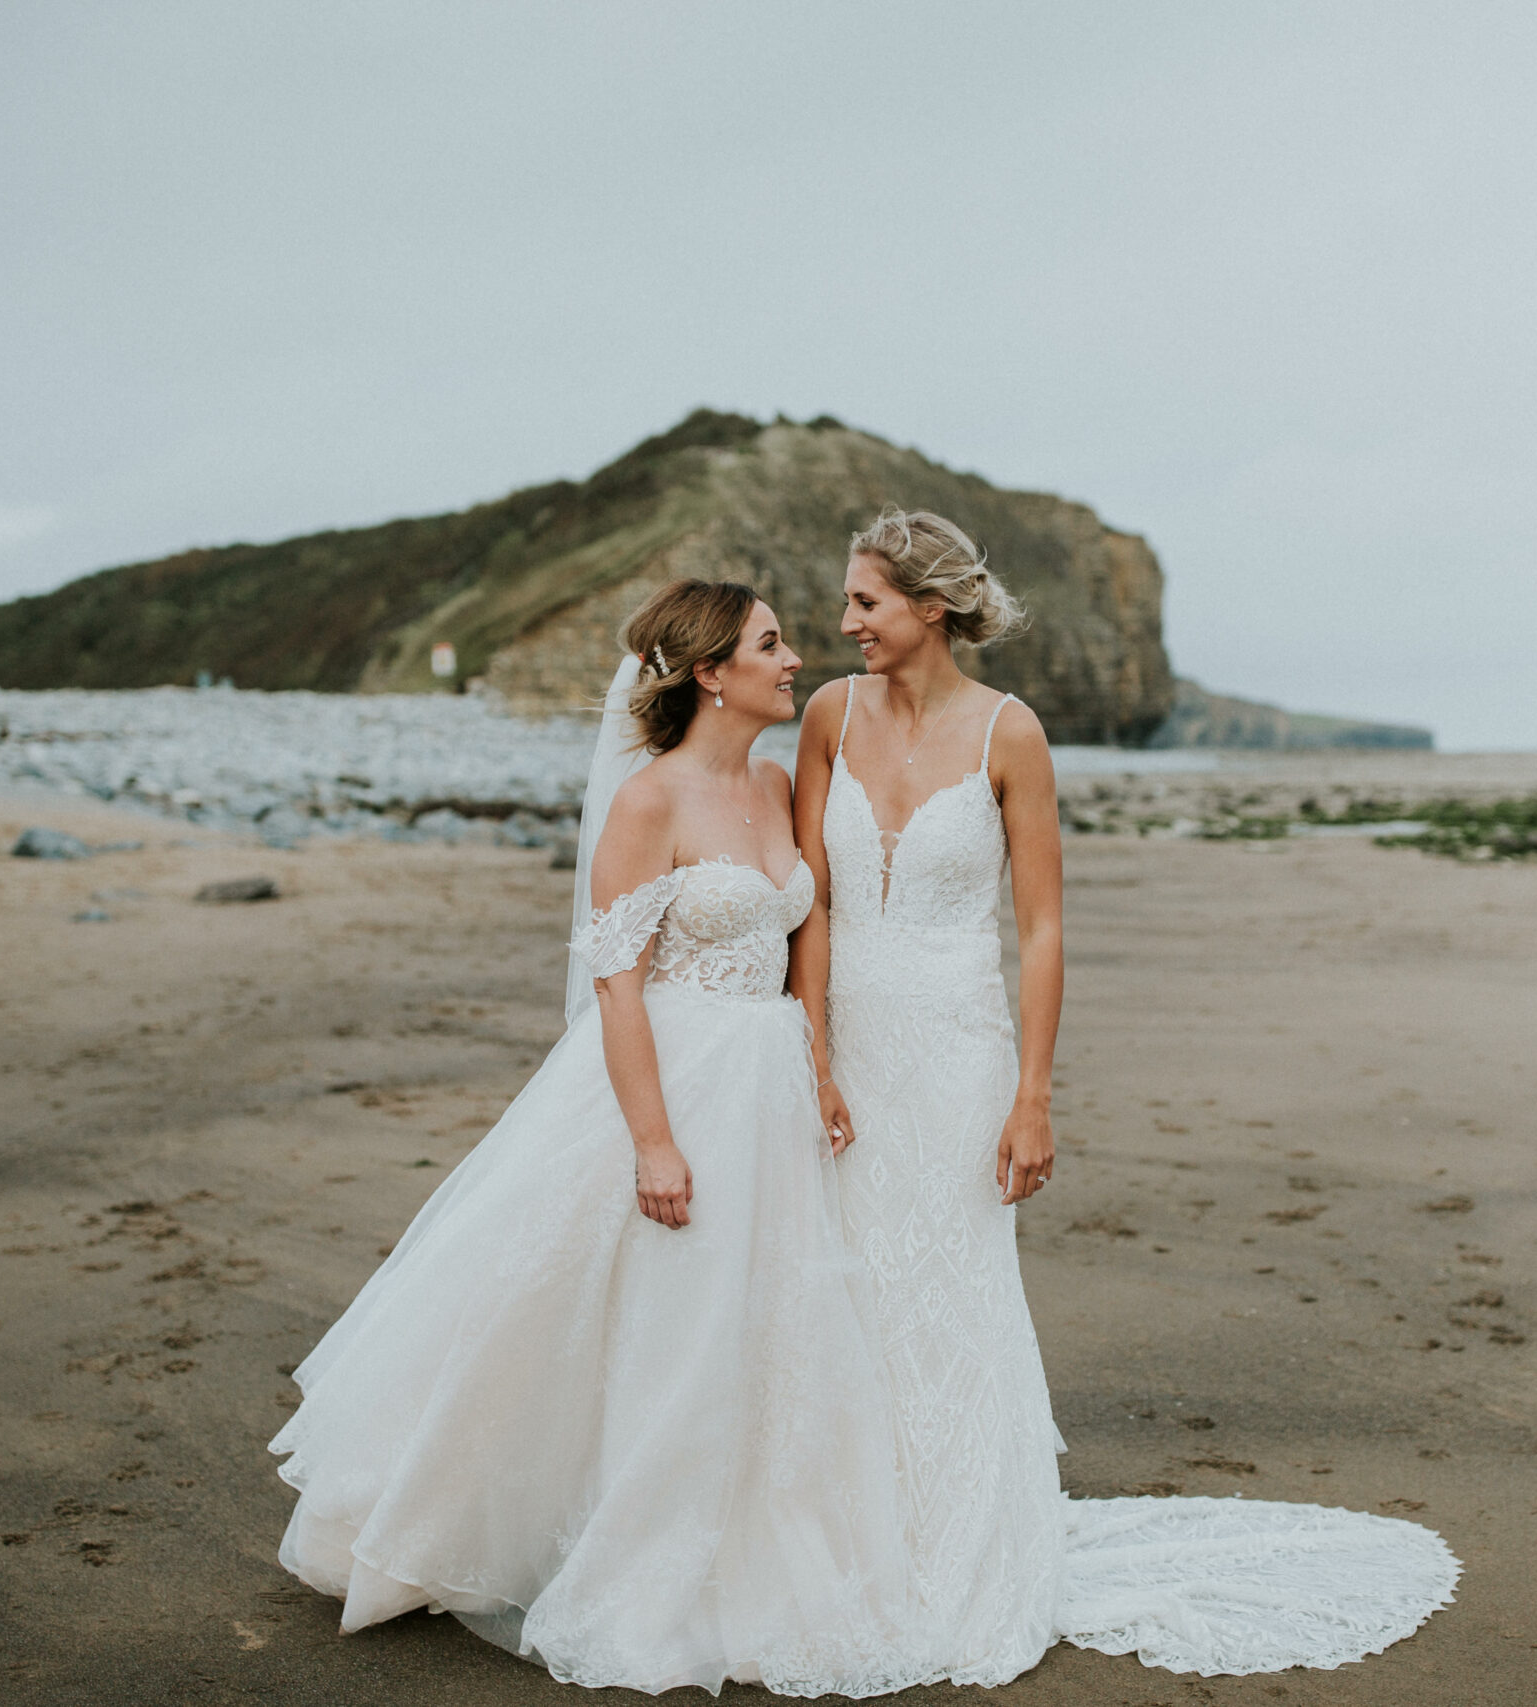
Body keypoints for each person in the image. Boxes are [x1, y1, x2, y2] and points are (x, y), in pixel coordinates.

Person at [793, 510, 1463, 1682]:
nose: (844, 623)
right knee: (845, 1279)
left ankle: (961, 1551)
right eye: (847, 601)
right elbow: (815, 902)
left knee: (950, 1283)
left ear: (930, 607)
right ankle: (849, 1541)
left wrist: (1034, 1096)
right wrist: (810, 1054)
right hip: (848, 1045)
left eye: (866, 603)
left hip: (959, 1049)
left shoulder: (1012, 734)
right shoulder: (824, 720)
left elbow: (1044, 929)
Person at [271, 580, 934, 1699]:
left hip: (765, 1083)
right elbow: (618, 987)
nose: (793, 658)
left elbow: (800, 936)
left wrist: (817, 1064)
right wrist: (653, 1142)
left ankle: (744, 1533)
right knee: (618, 1309)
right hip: (670, 1078)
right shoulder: (648, 802)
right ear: (712, 673)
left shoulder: (776, 786)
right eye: (771, 643)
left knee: (750, 1317)